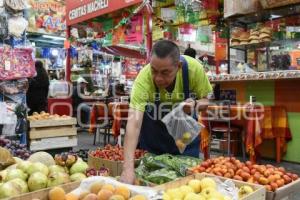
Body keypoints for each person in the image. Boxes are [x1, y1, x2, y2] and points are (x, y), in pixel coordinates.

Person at [120, 40, 212, 184]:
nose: (158, 78)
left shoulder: (194, 69)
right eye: (154, 71)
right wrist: (128, 168)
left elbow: (206, 101)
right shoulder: (143, 80)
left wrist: (195, 105)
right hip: (154, 142)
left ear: (179, 67)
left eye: (165, 72)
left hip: (184, 139)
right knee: (150, 183)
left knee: (187, 184)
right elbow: (134, 124)